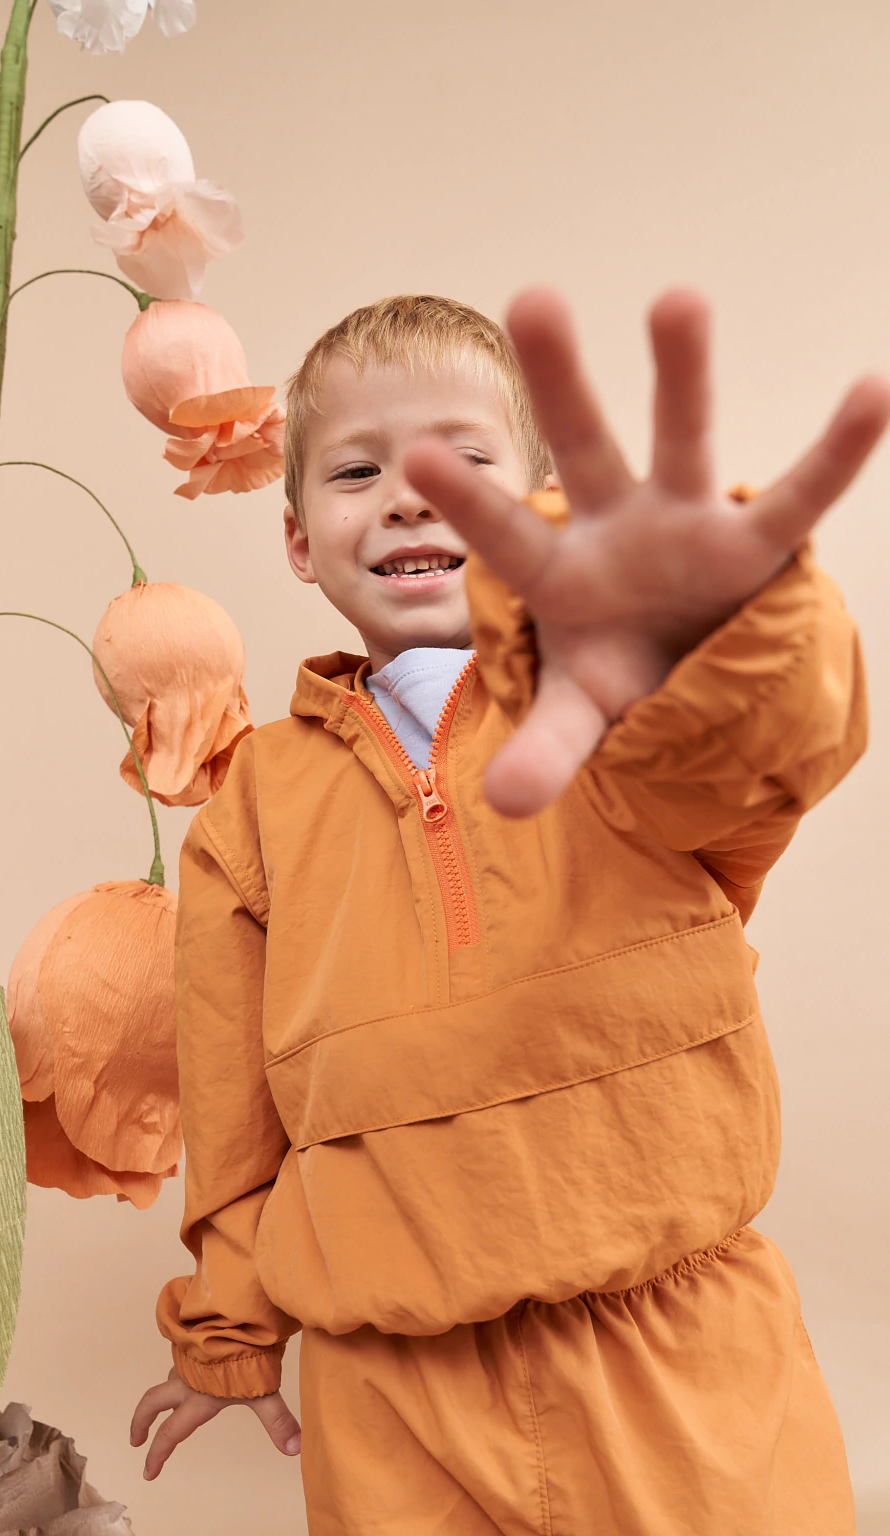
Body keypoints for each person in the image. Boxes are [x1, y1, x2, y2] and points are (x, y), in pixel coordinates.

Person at [130, 289, 889, 1534]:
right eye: (358, 471)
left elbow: (762, 747)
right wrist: (227, 1331)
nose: (407, 498)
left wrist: (722, 624)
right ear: (299, 542)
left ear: (543, 510)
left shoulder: (625, 708)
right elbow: (233, 1113)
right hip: (395, 1400)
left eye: (459, 466)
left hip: (679, 1366)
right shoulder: (252, 809)